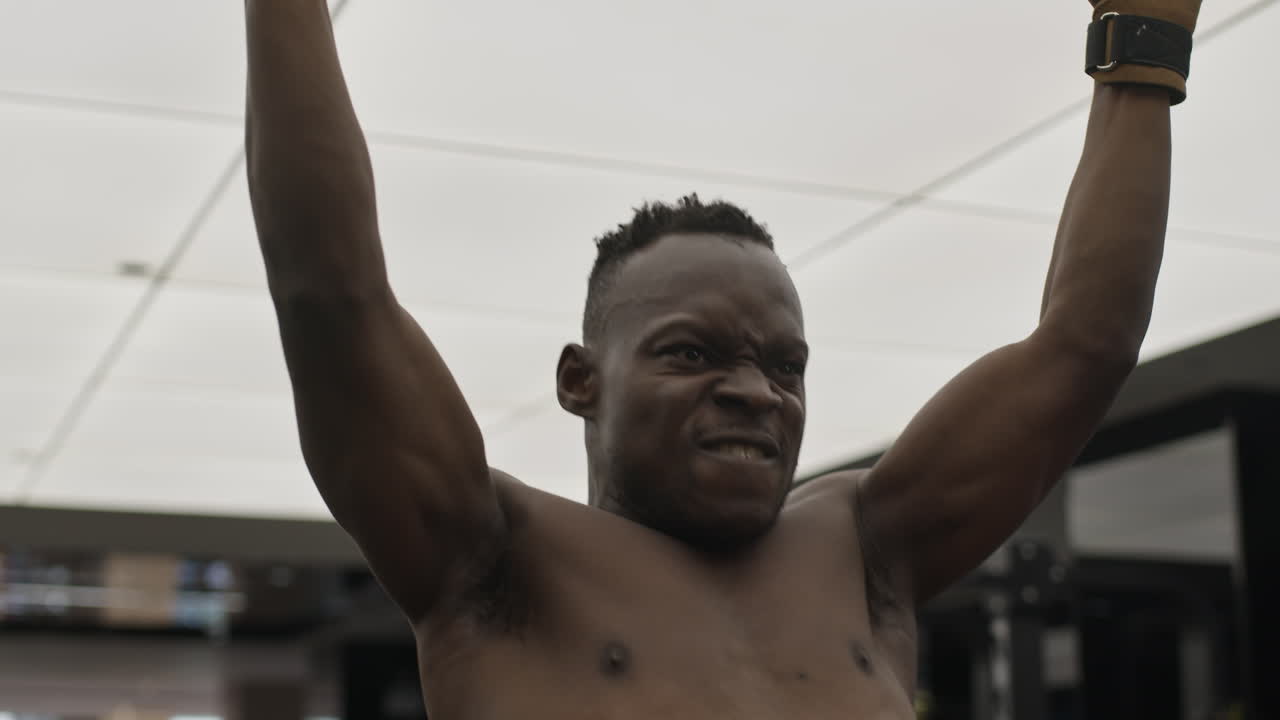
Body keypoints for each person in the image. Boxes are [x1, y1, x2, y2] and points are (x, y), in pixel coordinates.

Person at [243, 0, 1202, 716]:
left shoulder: (868, 550)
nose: (755, 393)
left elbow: (1085, 345)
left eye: (786, 367)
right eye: (693, 353)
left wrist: (1144, 39)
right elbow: (330, 299)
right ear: (582, 380)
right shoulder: (491, 562)